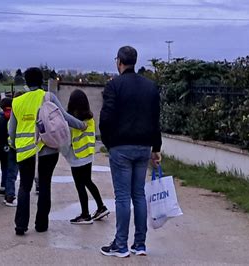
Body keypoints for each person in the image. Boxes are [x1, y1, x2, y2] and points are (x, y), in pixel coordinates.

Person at [99, 46, 162, 257]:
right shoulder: (150, 87)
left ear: (119, 62)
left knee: (123, 197)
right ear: (134, 61)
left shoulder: (114, 86)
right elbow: (155, 120)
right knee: (139, 195)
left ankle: (121, 245)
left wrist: (109, 143)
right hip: (143, 147)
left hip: (120, 147)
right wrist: (156, 148)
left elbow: (105, 119)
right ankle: (140, 244)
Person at [10, 67, 86, 236]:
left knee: (24, 186)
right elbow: (63, 116)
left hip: (24, 151)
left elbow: (11, 132)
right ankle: (41, 224)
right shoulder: (48, 97)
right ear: (41, 81)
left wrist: (14, 145)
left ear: (26, 81)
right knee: (45, 185)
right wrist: (81, 125)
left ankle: (20, 226)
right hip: (47, 148)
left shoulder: (17, 102)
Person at [61, 89, 109, 225]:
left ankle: (85, 214)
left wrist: (63, 153)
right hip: (88, 155)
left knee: (80, 185)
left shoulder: (72, 122)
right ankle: (101, 206)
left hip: (76, 157)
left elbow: (67, 141)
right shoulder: (90, 119)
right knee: (88, 181)